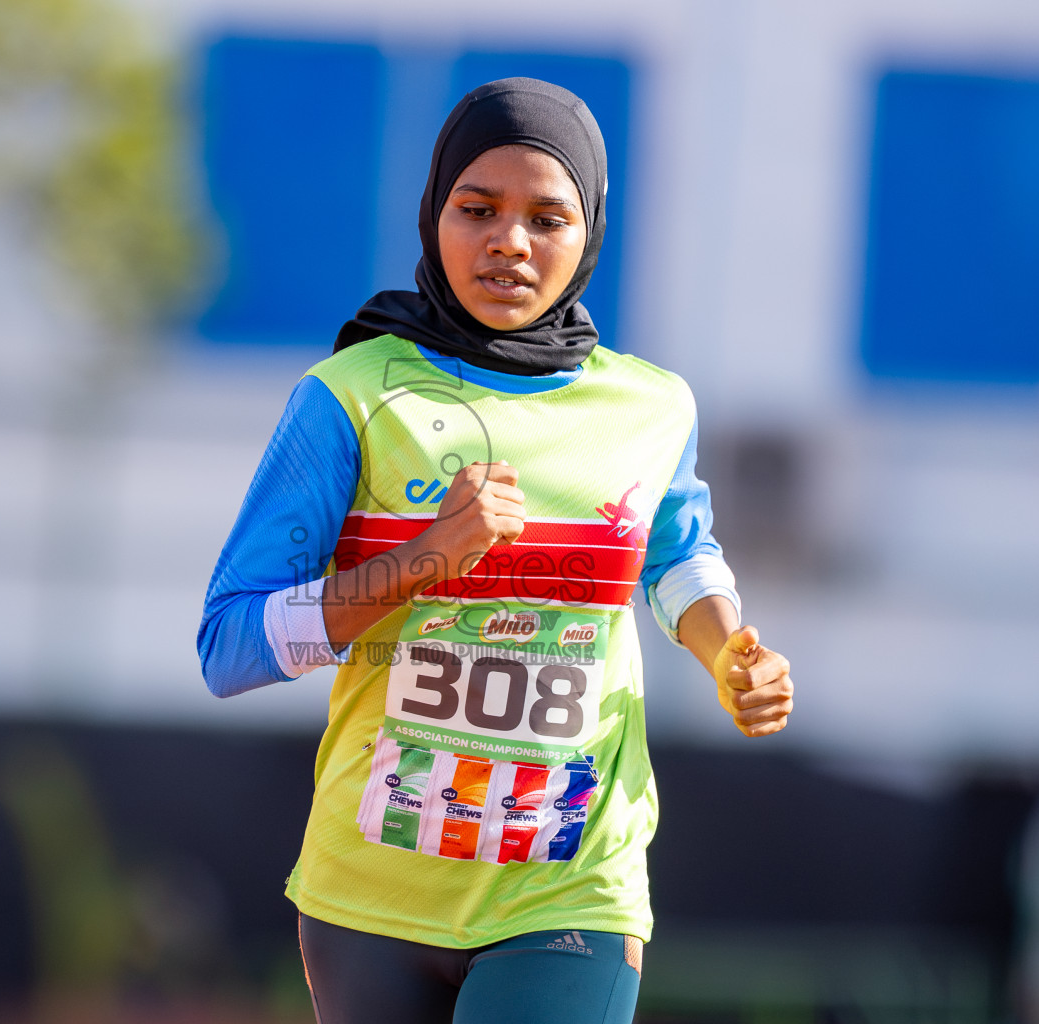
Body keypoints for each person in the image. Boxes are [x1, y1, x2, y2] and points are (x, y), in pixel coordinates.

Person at [197, 77, 794, 1024]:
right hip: (372, 898)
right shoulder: (349, 399)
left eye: (546, 218)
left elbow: (678, 553)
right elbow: (229, 650)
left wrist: (729, 650)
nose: (509, 241)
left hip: (570, 888)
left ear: (588, 233)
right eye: (477, 210)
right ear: (435, 216)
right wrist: (423, 559)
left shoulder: (649, 407)